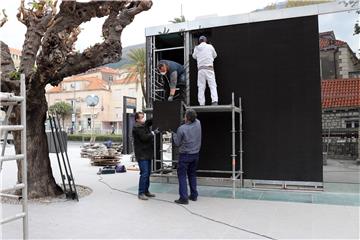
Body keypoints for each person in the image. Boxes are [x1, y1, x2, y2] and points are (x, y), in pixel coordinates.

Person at [172, 109, 202, 204]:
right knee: (192, 175)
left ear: (187, 118)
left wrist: (173, 133)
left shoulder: (181, 129)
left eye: (185, 116)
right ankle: (194, 195)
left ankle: (183, 198)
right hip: (195, 154)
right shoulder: (198, 123)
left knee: (182, 176)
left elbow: (177, 143)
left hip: (185, 155)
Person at [132, 112, 156, 200]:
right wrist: (153, 133)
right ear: (137, 119)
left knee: (148, 173)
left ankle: (146, 191)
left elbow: (149, 121)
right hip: (141, 154)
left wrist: (157, 114)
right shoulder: (137, 128)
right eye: (141, 118)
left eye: (143, 117)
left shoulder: (143, 125)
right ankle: (141, 192)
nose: (143, 119)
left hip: (147, 153)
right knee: (144, 173)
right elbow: (144, 138)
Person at [192, 35, 218, 106]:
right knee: (212, 86)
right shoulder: (210, 46)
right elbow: (215, 55)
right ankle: (214, 101)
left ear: (199, 41)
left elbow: (194, 56)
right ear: (205, 40)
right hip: (209, 68)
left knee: (201, 87)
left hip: (201, 70)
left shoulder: (196, 48)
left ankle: (201, 103)